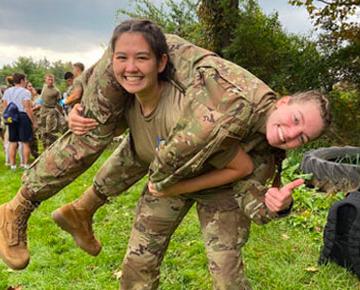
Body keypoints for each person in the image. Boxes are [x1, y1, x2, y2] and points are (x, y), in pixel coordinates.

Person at [0, 20, 330, 289]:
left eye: (304, 136)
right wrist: (86, 88)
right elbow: (137, 49)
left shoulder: (269, 149)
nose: (291, 133)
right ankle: (18, 208)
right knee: (93, 134)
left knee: (227, 273)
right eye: (296, 120)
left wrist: (276, 206)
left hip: (201, 188)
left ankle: (81, 211)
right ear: (285, 101)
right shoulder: (234, 95)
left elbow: (249, 195)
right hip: (168, 165)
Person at [1, 73, 33, 170]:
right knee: (25, 142)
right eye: (25, 79)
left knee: (12, 141)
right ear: (22, 80)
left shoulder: (7, 91)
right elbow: (27, 108)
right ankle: (25, 164)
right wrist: (32, 121)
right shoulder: (26, 92)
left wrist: (6, 116)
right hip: (22, 116)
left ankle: (13, 165)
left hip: (11, 116)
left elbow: (4, 105)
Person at [38, 73, 66, 148]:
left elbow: (60, 102)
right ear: (45, 80)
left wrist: (63, 111)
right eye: (49, 79)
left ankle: (53, 146)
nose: (50, 81)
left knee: (50, 130)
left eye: (52, 79)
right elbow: (41, 98)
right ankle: (45, 147)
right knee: (42, 130)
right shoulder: (44, 87)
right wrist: (37, 106)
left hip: (51, 110)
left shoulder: (56, 91)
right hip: (43, 110)